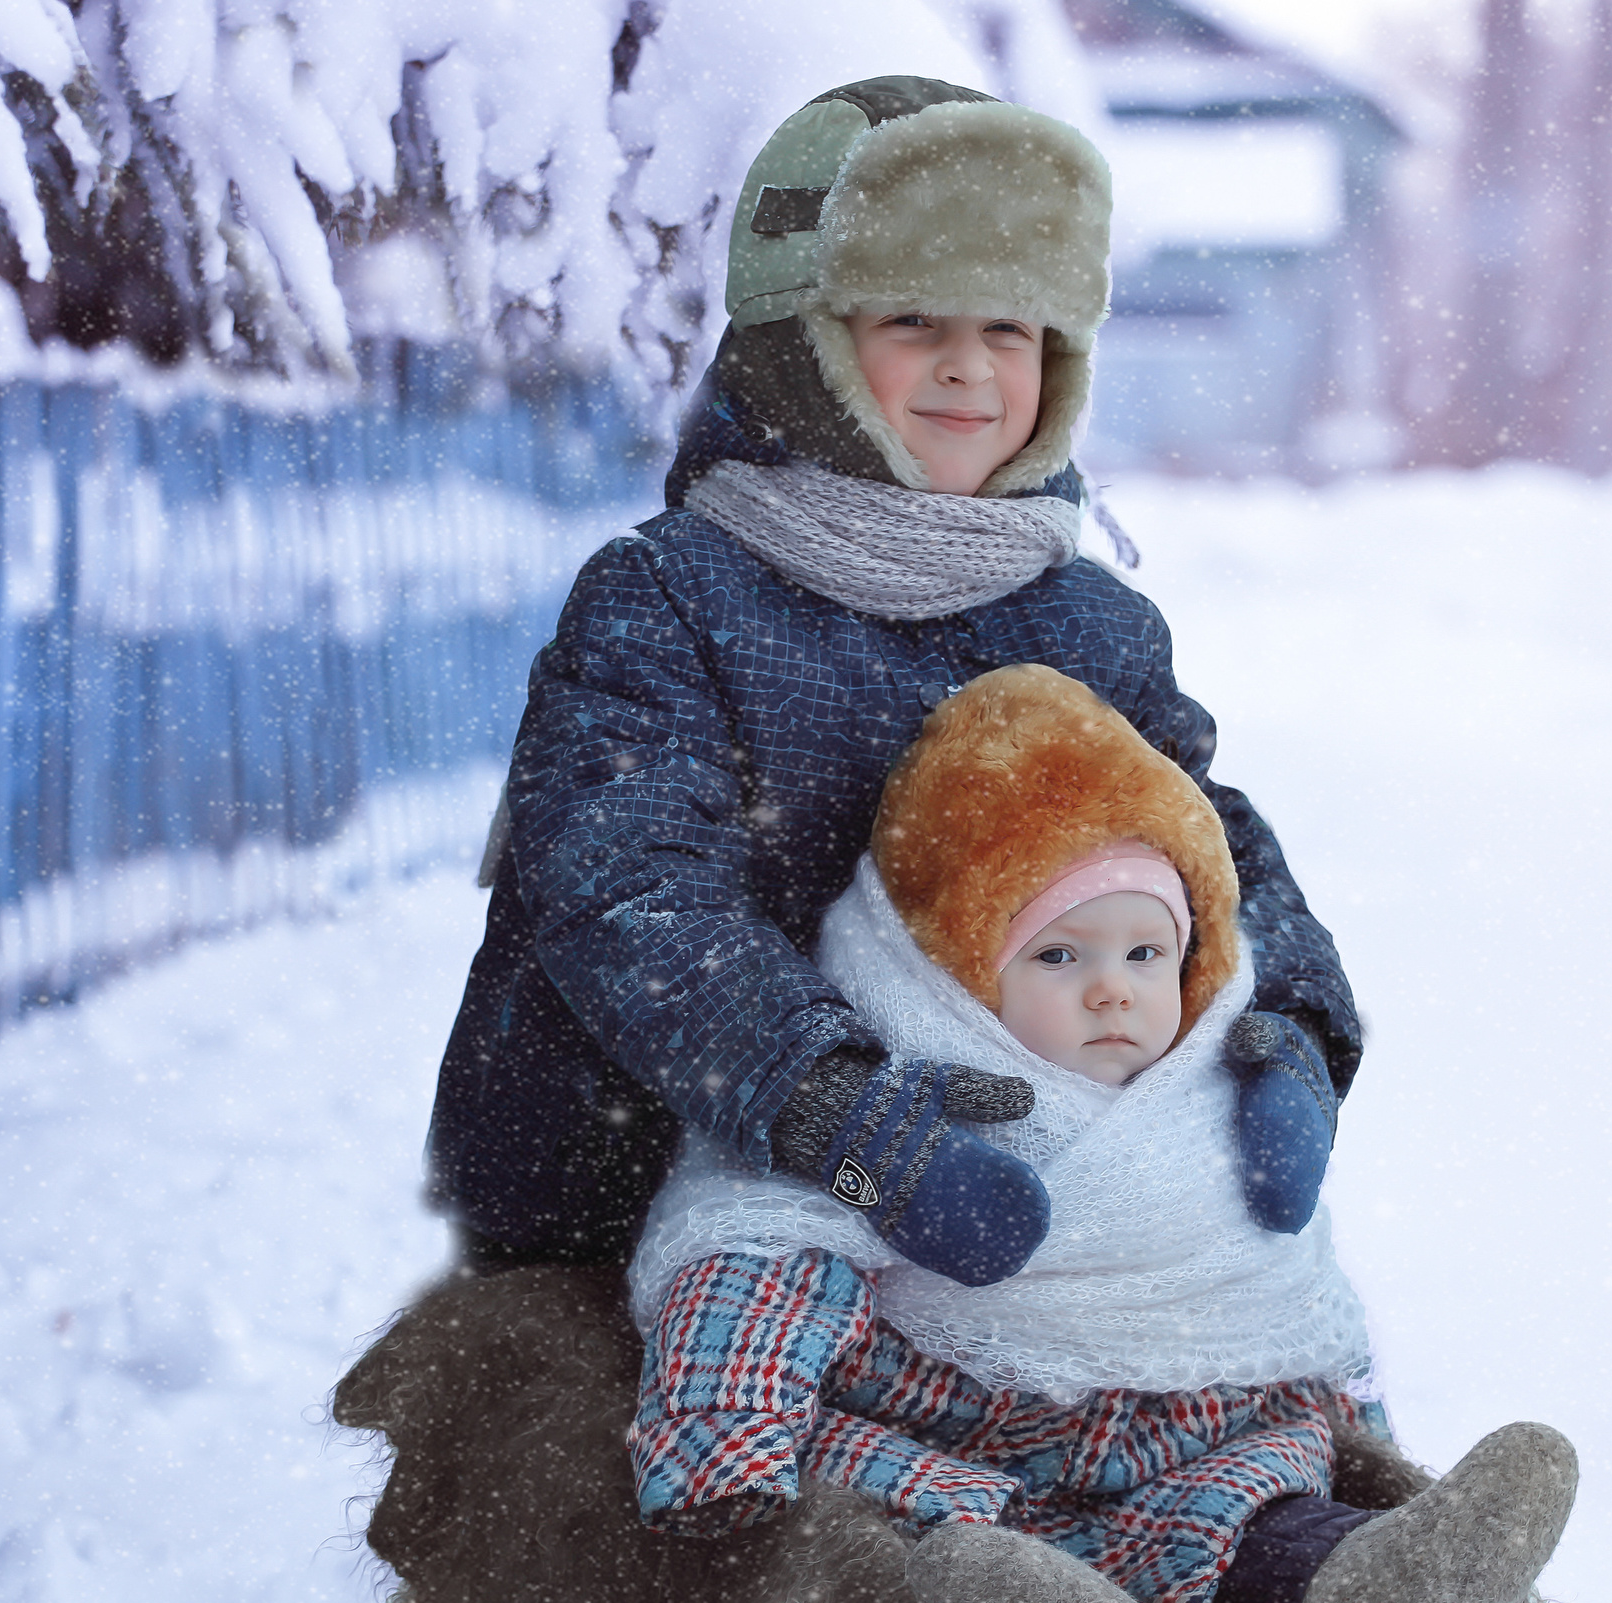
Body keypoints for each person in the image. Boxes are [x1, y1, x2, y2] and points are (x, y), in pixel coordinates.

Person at [427, 73, 1356, 1299]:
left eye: (1012, 332)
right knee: (753, 1381)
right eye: (915, 321)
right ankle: (847, 1494)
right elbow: (626, 890)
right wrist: (841, 1121)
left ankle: (1288, 1486)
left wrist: (1289, 1033)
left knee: (1210, 1287)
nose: (969, 372)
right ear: (805, 349)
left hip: (993, 1164)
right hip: (644, 1166)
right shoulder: (673, 595)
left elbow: (1202, 845)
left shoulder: (1089, 626)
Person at [623, 665, 1580, 1603]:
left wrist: (1366, 1446)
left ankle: (1376, 1586)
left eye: (1145, 953)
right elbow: (764, 1256)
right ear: (951, 972)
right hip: (953, 1455)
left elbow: (1292, 1309)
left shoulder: (1210, 1109)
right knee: (884, 1533)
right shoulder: (895, 1100)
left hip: (1184, 1458)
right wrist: (731, 1458)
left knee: (1260, 1507)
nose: (1111, 987)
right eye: (1058, 954)